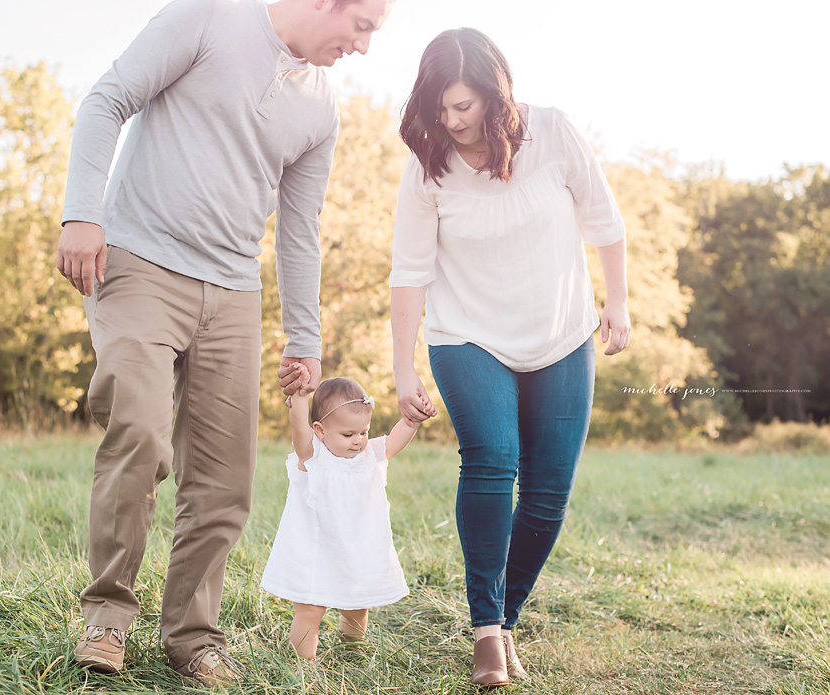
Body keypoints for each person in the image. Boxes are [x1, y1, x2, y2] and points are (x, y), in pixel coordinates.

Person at [56, 0, 394, 686]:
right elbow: (106, 99)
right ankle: (107, 616)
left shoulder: (321, 111)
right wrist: (81, 212)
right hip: (139, 262)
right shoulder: (208, 16)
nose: (363, 47)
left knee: (225, 481)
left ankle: (192, 635)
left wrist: (306, 336)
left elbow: (300, 227)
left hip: (233, 292)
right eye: (361, 26)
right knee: (141, 434)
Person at [389, 28, 631, 687]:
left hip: (560, 334)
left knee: (549, 491)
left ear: (498, 98)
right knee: (493, 457)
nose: (451, 120)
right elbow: (409, 272)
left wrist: (618, 302)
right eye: (440, 108)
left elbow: (606, 221)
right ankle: (485, 634)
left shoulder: (554, 134)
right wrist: (403, 364)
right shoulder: (428, 167)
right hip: (467, 336)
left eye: (463, 106)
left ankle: (505, 614)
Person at [260, 368, 436, 660]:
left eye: (363, 432)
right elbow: (298, 429)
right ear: (320, 430)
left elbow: (394, 440)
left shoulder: (369, 455)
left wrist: (412, 421)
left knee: (357, 605)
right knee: (310, 608)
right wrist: (300, 397)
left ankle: (352, 651)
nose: (358, 440)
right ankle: (305, 665)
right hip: (315, 551)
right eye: (348, 434)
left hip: (357, 549)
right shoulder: (312, 455)